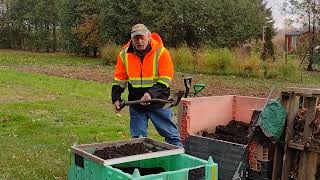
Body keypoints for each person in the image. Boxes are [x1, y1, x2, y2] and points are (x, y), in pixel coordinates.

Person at [111, 24, 182, 147]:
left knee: (172, 138)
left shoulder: (161, 52)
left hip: (158, 103)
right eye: (136, 38)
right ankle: (141, 165)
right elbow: (119, 79)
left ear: (148, 36)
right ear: (131, 39)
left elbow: (165, 79)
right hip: (136, 104)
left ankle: (180, 161)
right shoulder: (124, 54)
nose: (139, 41)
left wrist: (150, 94)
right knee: (137, 141)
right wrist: (116, 98)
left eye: (142, 37)